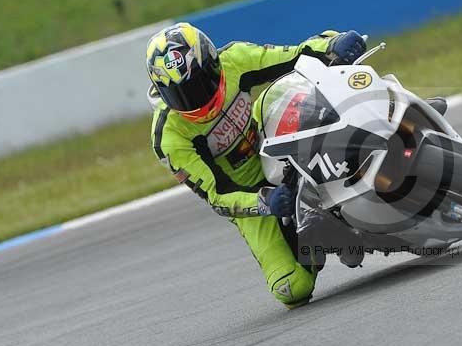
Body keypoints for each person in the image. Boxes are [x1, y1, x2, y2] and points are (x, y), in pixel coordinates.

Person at [146, 22, 367, 308]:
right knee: (291, 287)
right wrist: (265, 201)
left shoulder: (235, 59)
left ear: (212, 63)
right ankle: (323, 234)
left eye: (200, 84)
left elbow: (295, 55)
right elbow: (218, 195)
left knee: (298, 94)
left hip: (271, 144)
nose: (195, 100)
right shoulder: (168, 136)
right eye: (181, 95)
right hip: (249, 195)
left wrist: (333, 44)